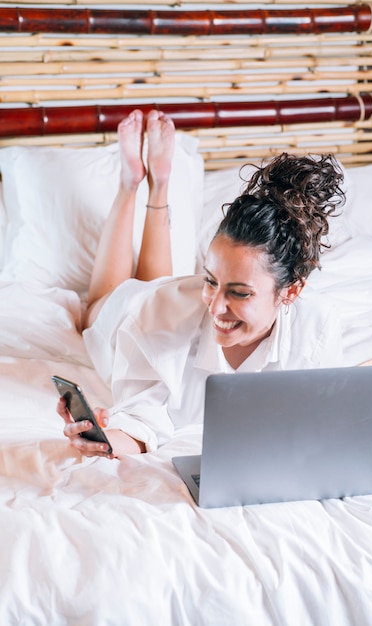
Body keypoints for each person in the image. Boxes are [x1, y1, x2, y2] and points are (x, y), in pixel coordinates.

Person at [57, 109, 346, 459]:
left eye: (240, 292)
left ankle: (160, 183)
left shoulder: (317, 330)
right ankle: (131, 182)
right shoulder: (154, 314)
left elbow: (323, 423)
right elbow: (140, 421)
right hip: (129, 314)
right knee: (101, 302)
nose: (216, 305)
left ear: (291, 292)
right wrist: (102, 439)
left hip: (168, 303)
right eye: (210, 279)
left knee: (167, 292)